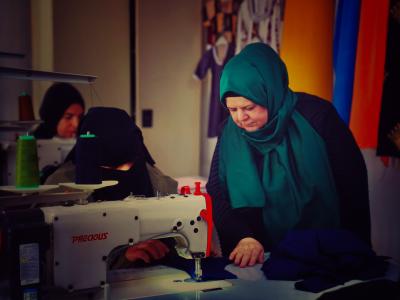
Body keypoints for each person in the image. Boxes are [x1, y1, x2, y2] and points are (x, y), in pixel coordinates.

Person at [206, 43, 371, 268]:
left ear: (270, 93)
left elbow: (352, 187)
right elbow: (217, 192)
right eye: (232, 110)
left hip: (326, 251)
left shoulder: (318, 118)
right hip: (259, 256)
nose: (240, 118)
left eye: (249, 107)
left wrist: (355, 248)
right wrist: (243, 237)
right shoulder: (229, 133)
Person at [45, 107, 178, 266]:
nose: (123, 173)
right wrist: (119, 258)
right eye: (110, 169)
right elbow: (55, 263)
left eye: (128, 164)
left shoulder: (156, 181)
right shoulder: (58, 190)